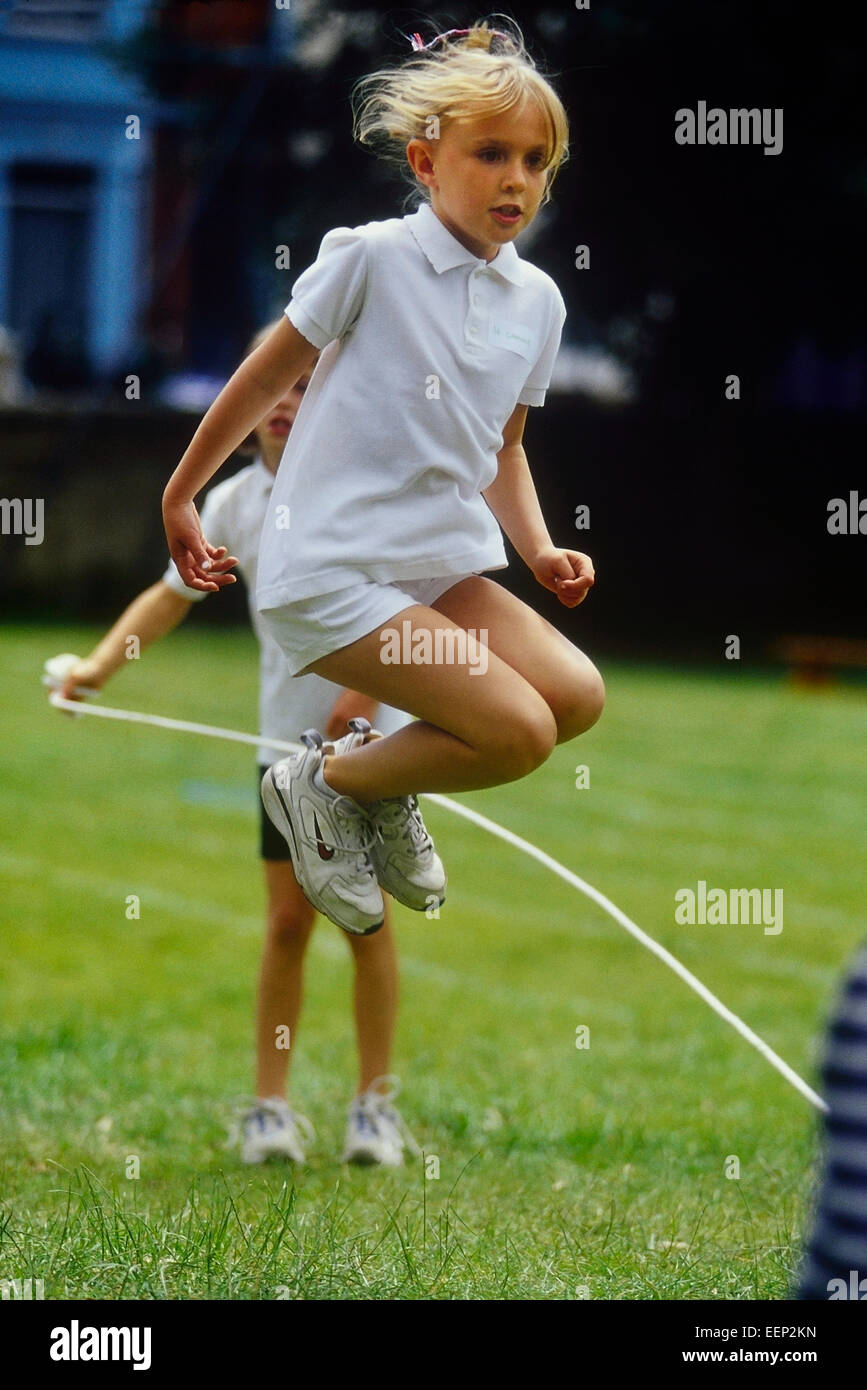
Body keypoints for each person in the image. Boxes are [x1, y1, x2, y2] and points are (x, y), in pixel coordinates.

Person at [162, 21, 605, 941]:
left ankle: (365, 780)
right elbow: (260, 380)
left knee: (572, 698)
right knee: (515, 731)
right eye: (490, 154)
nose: (516, 178)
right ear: (424, 159)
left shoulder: (539, 303)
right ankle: (324, 781)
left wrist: (538, 546)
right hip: (330, 574)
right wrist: (179, 495)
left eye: (536, 160)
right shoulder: (370, 258)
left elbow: (505, 449)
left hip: (435, 570)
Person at [55, 329, 420, 1167]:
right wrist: (97, 669)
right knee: (288, 922)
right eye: (275, 393)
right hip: (281, 754)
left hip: (372, 749)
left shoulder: (360, 498)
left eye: (305, 392)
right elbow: (170, 594)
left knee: (367, 923)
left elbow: (408, 609)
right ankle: (269, 1108)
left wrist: (359, 698)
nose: (287, 408)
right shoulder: (230, 507)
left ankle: (374, 1107)